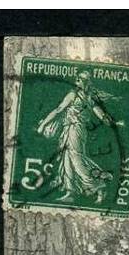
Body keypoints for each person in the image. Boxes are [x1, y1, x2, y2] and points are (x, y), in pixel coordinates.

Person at [35, 71, 123, 203]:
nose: (77, 80)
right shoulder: (85, 96)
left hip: (75, 130)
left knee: (76, 158)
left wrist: (43, 125)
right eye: (78, 78)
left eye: (80, 79)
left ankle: (99, 185)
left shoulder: (79, 96)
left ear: (85, 82)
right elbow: (61, 110)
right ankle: (70, 191)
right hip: (70, 129)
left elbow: (100, 114)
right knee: (67, 159)